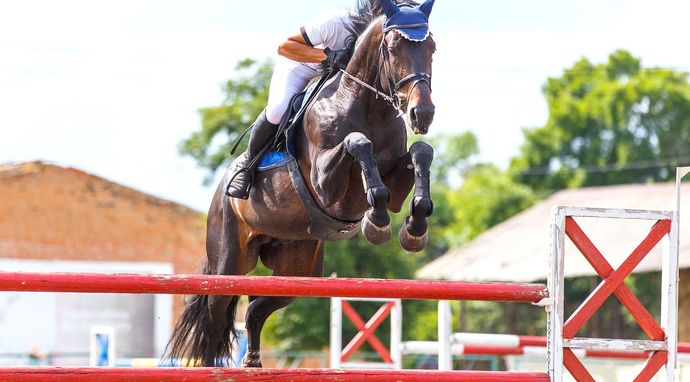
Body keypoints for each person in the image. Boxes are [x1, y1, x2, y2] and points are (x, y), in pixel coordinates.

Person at [226, 10, 356, 199]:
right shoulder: (336, 22)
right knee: (278, 110)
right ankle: (247, 164)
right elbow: (285, 46)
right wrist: (327, 56)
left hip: (330, 76)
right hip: (300, 66)